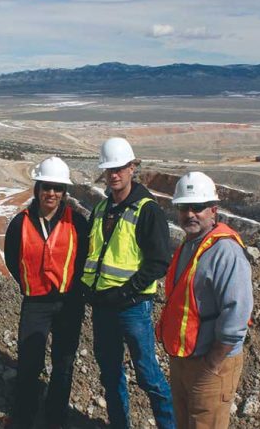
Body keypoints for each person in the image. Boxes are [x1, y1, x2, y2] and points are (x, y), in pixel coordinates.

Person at [81, 137, 175, 429]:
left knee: (148, 375)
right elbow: (93, 255)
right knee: (110, 375)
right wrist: (88, 289)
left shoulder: (147, 210)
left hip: (133, 307)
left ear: (132, 167)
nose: (114, 174)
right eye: (109, 169)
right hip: (103, 307)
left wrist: (126, 292)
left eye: (120, 168)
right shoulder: (101, 209)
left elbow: (159, 261)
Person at [156, 172, 253, 429]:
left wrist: (212, 363)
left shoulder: (226, 252)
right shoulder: (190, 245)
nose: (190, 214)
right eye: (184, 207)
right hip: (184, 357)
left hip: (210, 364)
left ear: (213, 210)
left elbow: (237, 313)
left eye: (197, 207)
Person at [3, 156, 89, 429]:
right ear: (37, 188)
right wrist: (29, 283)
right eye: (46, 187)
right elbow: (12, 258)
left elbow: (84, 259)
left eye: (58, 188)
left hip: (69, 302)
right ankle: (24, 416)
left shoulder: (77, 223)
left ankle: (55, 418)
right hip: (36, 303)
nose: (51, 193)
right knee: (29, 362)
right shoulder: (20, 222)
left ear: (64, 192)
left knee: (64, 363)